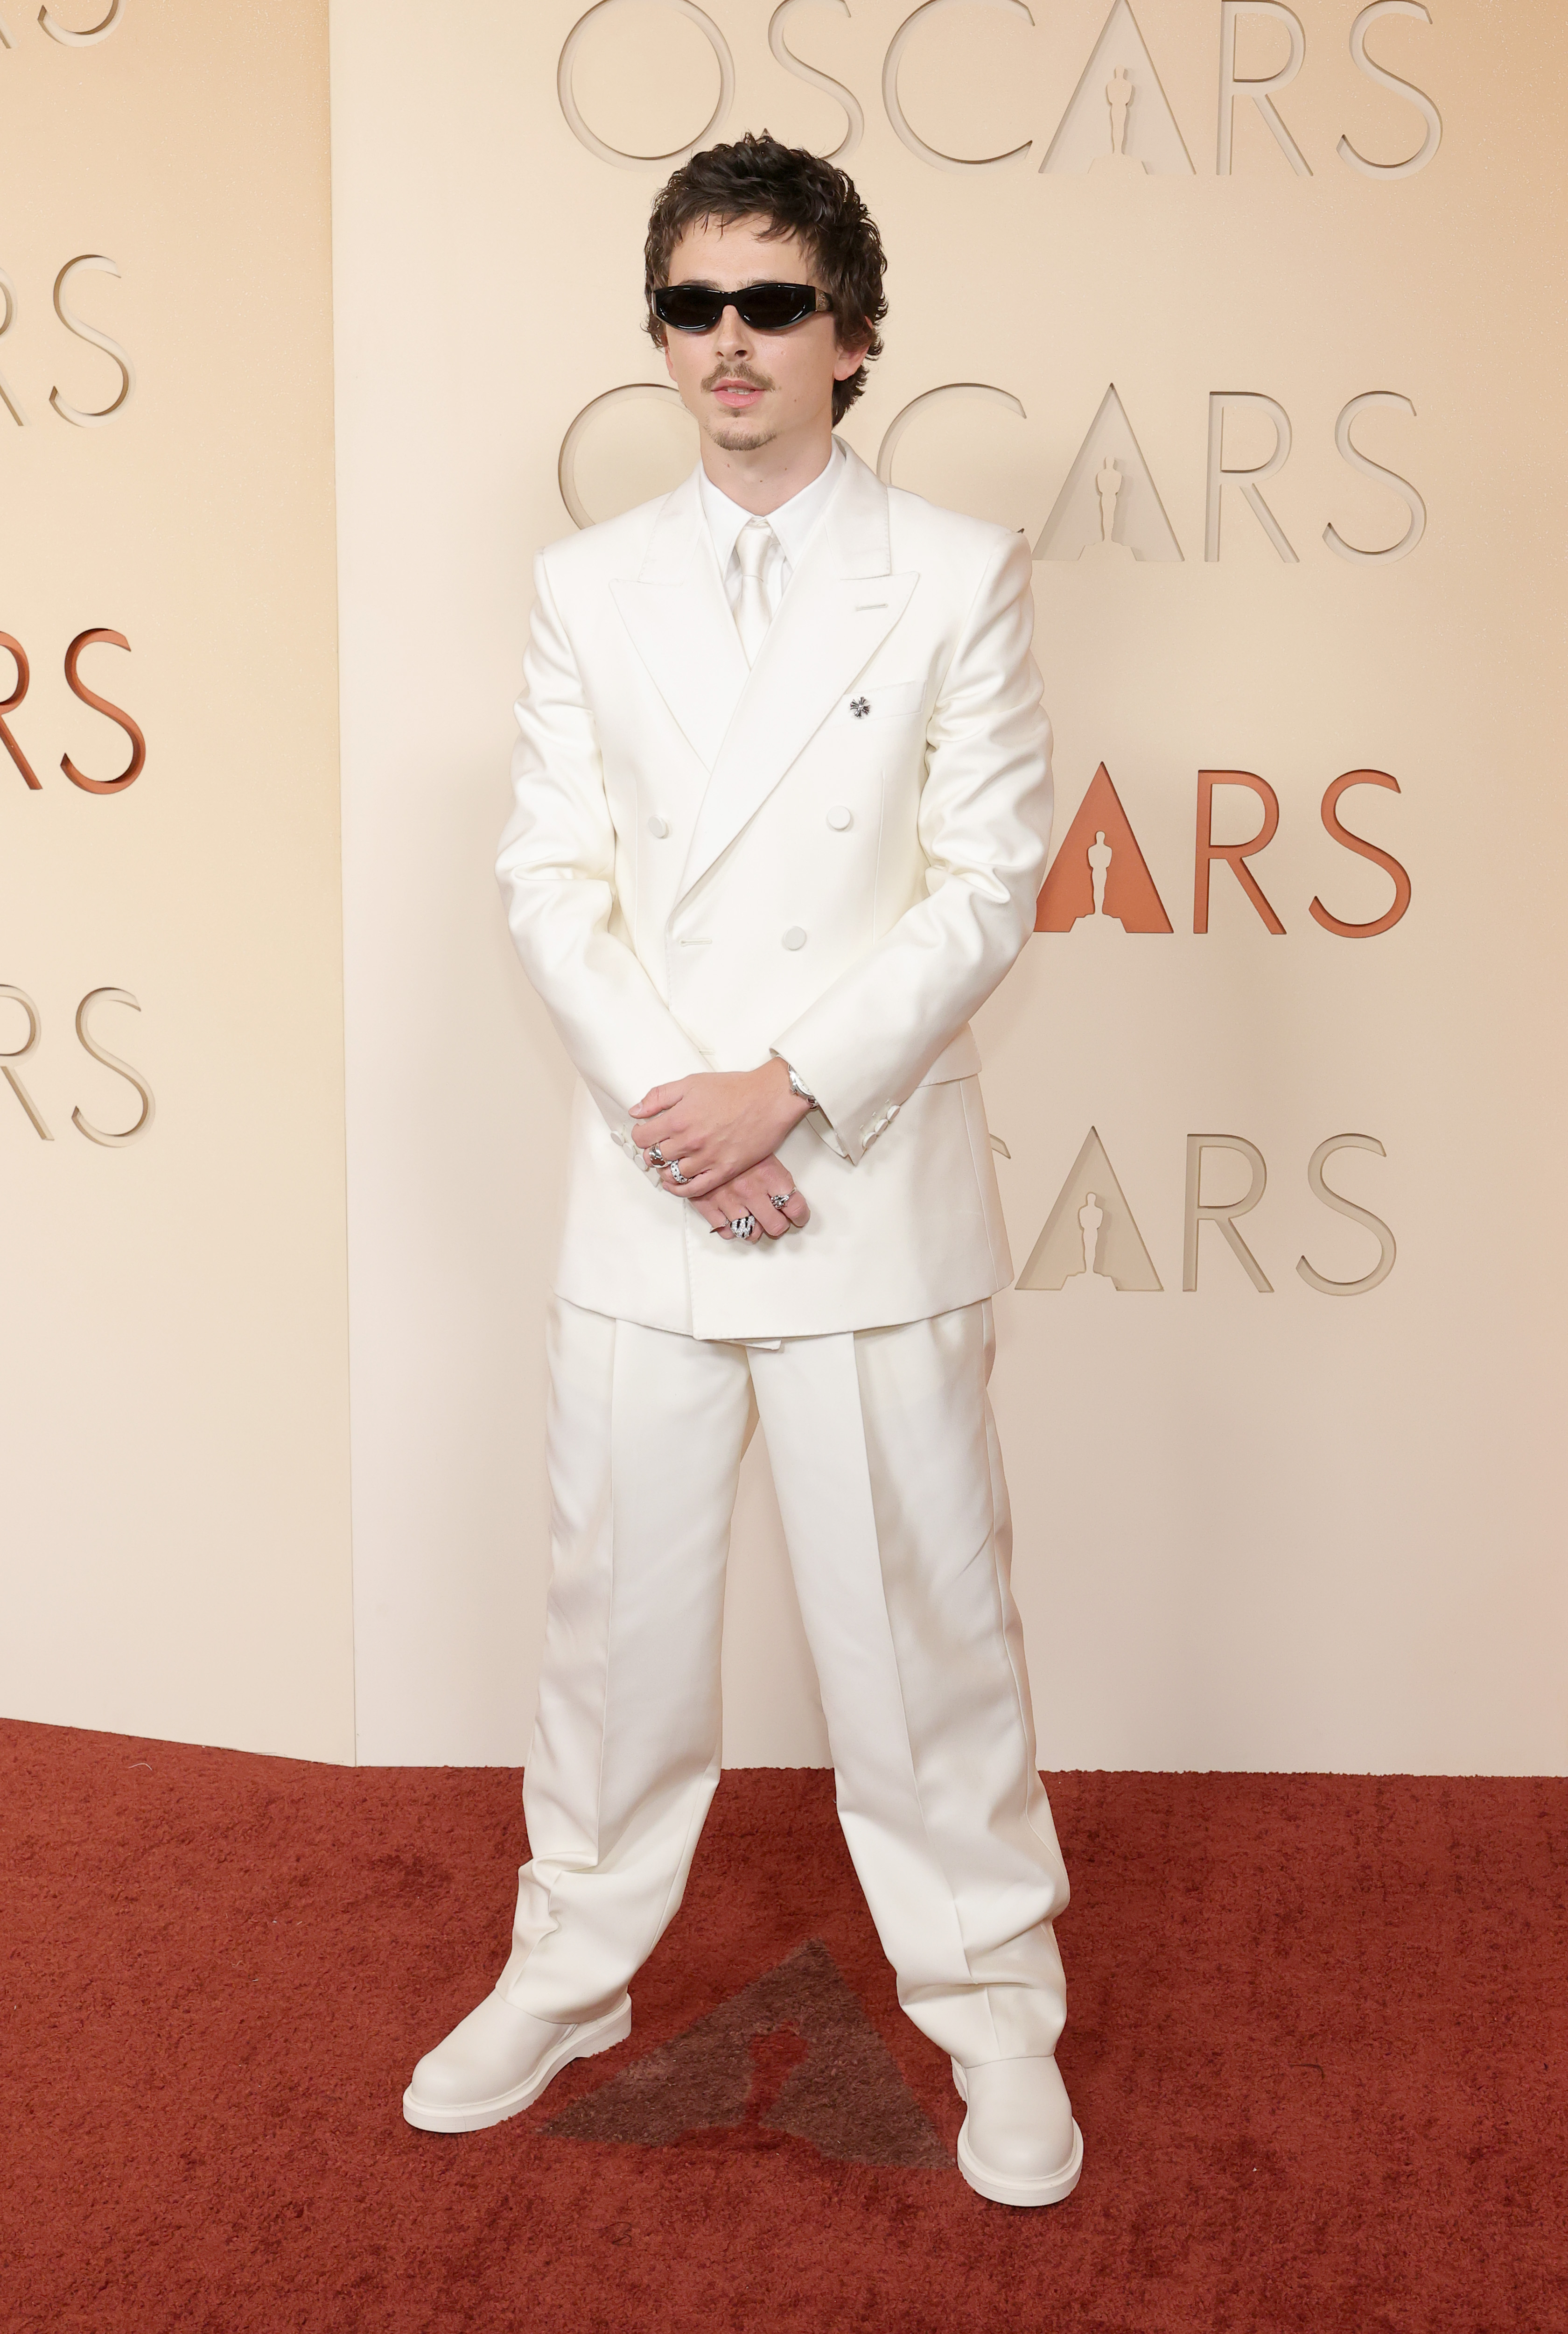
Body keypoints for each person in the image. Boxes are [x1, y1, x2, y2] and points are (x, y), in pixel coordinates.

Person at [402, 132, 1080, 2210]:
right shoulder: (584, 585)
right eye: (691, 304)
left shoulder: (957, 572)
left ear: (849, 334)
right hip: (652, 1191)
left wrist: (787, 1090)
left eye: (768, 303)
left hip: (858, 1184)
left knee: (922, 1639)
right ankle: (572, 1967)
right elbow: (548, 879)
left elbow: (984, 887)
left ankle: (993, 2012)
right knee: (614, 1631)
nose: (726, 342)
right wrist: (676, 1113)